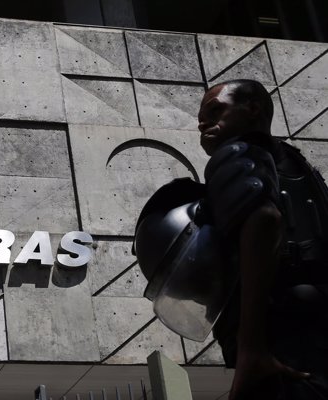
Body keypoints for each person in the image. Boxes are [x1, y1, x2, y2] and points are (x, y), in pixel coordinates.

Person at [134, 79, 328, 399]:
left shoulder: (237, 153)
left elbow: (264, 220)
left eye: (215, 110)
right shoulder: (298, 167)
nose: (204, 123)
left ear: (251, 109)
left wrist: (251, 346)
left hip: (282, 346)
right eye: (201, 119)